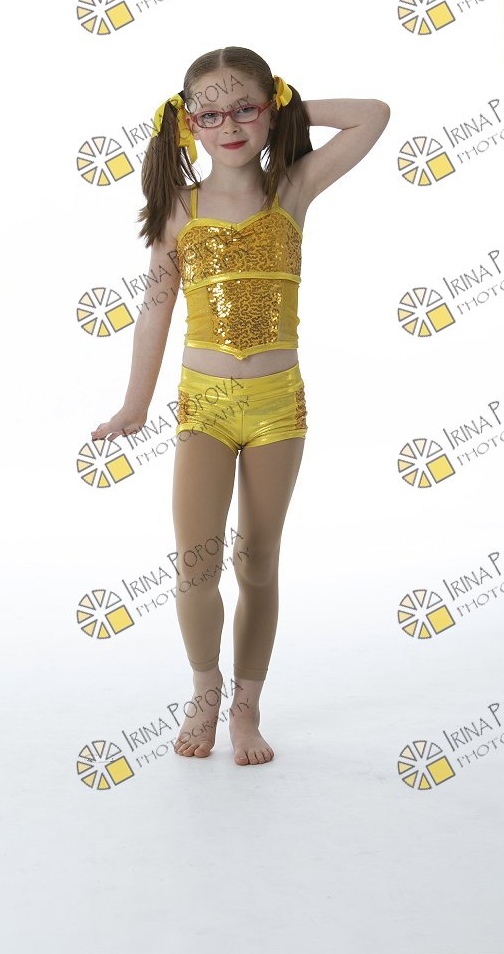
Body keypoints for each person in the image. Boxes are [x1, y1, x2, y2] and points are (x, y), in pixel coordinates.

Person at [91, 46, 390, 766]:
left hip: (277, 409)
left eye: (245, 109)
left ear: (269, 110)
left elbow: (374, 116)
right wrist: (135, 404)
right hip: (205, 407)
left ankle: (247, 707)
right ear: (187, 122)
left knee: (257, 562)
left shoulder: (292, 189)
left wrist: (289, 109)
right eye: (210, 113)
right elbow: (155, 309)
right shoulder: (180, 209)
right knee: (196, 566)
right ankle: (205, 691)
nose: (229, 125)